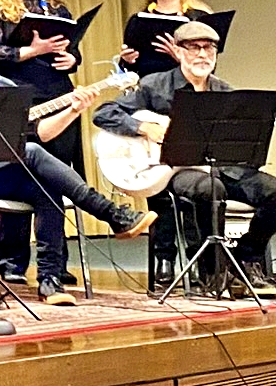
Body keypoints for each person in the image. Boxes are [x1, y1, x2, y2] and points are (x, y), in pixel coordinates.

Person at [0, 14, 156, 306]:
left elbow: (42, 132)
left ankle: (50, 279)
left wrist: (73, 110)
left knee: (45, 182)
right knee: (35, 155)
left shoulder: (6, 88)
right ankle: (110, 213)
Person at [94, 20, 276, 292]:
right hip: (174, 170)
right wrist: (144, 127)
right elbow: (104, 113)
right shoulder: (155, 85)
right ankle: (211, 271)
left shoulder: (223, 91)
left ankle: (246, 256)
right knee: (209, 189)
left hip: (219, 167)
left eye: (209, 49)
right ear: (178, 52)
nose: (202, 55)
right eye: (194, 48)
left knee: (273, 192)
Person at [0, 0, 82, 286]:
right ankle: (12, 262)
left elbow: (73, 51)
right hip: (16, 97)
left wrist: (71, 59)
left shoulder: (57, 6)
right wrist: (28, 53)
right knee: (21, 171)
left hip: (58, 95)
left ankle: (56, 261)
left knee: (57, 176)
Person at [118, 0, 211, 76]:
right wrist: (127, 61)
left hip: (186, 91)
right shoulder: (138, 21)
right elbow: (127, 73)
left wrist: (181, 59)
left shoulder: (198, 20)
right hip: (147, 90)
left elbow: (208, 69)